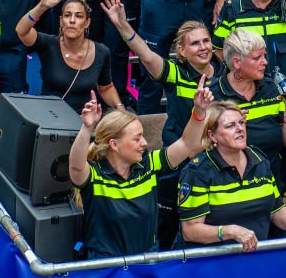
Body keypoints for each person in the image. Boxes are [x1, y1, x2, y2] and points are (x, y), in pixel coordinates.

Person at [102, 2, 223, 247]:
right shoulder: (175, 73)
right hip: (176, 162)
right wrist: (122, 25)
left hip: (215, 164)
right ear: (182, 50)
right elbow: (146, 56)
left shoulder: (225, 76)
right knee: (166, 229)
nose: (203, 47)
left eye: (206, 41)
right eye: (195, 43)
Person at [69, 76, 213, 258]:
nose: (145, 143)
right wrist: (87, 128)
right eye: (137, 138)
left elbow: (186, 144)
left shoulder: (149, 165)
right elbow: (75, 167)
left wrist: (199, 111)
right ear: (114, 145)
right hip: (107, 266)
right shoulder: (96, 177)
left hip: (147, 261)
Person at [177, 101, 286, 258]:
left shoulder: (259, 160)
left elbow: (275, 208)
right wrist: (229, 231)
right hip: (209, 263)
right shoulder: (198, 171)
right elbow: (190, 231)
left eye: (241, 123)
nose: (240, 129)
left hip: (253, 260)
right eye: (230, 126)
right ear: (212, 135)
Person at [210, 29, 286, 190]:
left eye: (264, 56)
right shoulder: (213, 94)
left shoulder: (273, 87)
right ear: (237, 62)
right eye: (257, 58)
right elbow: (202, 147)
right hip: (228, 190)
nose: (265, 62)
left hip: (272, 188)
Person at [16, 0, 123, 112]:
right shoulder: (49, 44)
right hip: (49, 118)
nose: (72, 20)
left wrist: (121, 109)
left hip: (83, 121)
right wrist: (42, 6)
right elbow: (21, 31)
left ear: (87, 22)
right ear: (61, 21)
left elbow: (106, 88)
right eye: (67, 15)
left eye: (78, 16)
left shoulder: (101, 52)